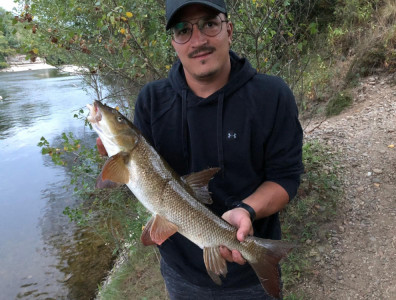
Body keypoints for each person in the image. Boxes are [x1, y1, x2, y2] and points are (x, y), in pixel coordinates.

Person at [98, 0, 303, 299]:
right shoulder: (151, 100)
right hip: (180, 274)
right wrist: (113, 161)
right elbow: (143, 179)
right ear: (174, 43)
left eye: (209, 23)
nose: (198, 40)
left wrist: (247, 210)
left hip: (248, 275)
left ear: (229, 30)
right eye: (183, 30)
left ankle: (264, 258)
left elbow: (286, 178)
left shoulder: (272, 96)